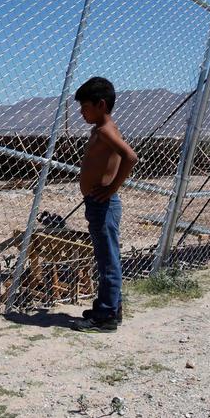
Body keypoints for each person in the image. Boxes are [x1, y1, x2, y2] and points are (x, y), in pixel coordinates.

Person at [72, 77, 137, 333]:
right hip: (98, 204)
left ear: (100, 104)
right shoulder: (101, 128)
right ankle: (109, 306)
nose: (81, 112)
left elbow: (130, 157)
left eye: (85, 107)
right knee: (105, 257)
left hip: (104, 205)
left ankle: (106, 316)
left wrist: (112, 188)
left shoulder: (105, 130)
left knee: (108, 260)